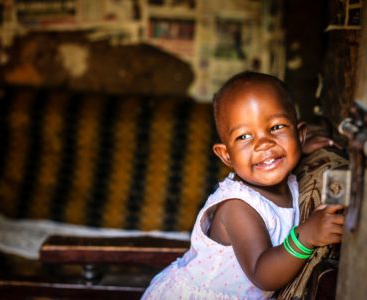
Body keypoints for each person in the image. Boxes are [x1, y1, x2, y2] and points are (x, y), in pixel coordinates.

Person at [141, 71, 345, 299]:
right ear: (226, 155)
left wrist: (297, 149)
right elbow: (263, 274)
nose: (264, 144)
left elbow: (277, 153)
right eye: (244, 137)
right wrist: (306, 236)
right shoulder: (237, 207)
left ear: (300, 134)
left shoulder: (281, 170)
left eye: (277, 127)